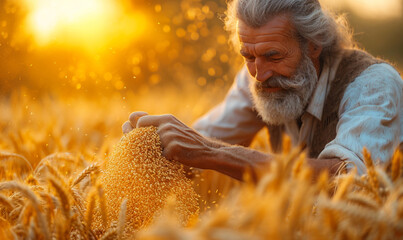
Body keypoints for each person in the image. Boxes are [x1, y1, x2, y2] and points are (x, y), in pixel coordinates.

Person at [122, 0, 403, 181]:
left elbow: (348, 180)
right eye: (248, 57)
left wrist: (209, 152)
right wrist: (154, 149)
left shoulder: (372, 85)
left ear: (314, 45)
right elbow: (200, 139)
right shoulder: (257, 78)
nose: (260, 74)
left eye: (274, 56)